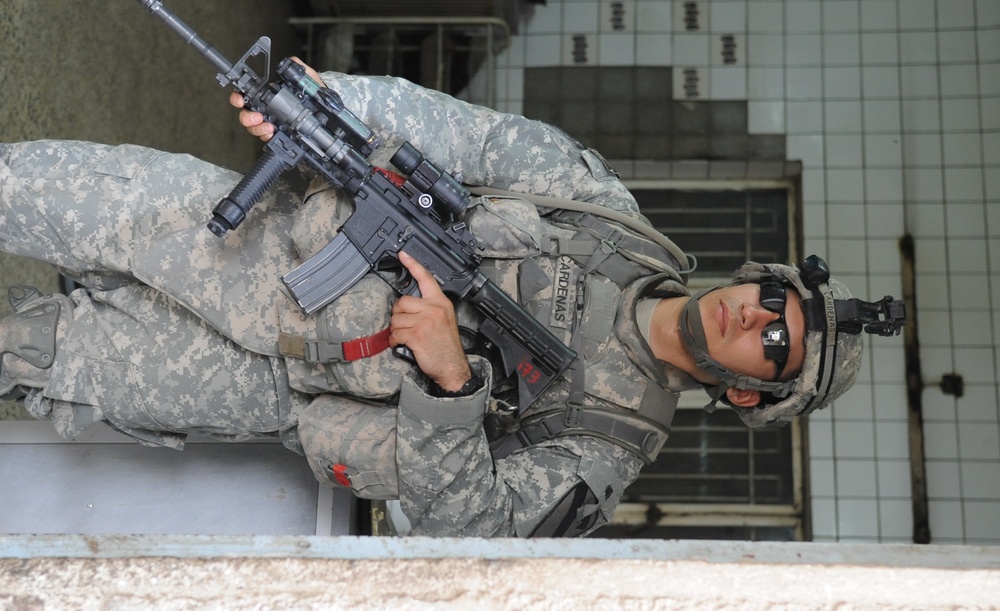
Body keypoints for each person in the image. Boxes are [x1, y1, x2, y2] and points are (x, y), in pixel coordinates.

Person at [0, 63, 902, 537]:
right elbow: (464, 135)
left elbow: (472, 527)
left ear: (748, 393)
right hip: (247, 235)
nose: (755, 317)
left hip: (256, 381)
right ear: (758, 276)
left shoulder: (605, 449)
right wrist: (323, 104)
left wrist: (446, 384)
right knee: (27, 187)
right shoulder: (602, 217)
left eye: (773, 346)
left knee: (31, 352)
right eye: (772, 299)